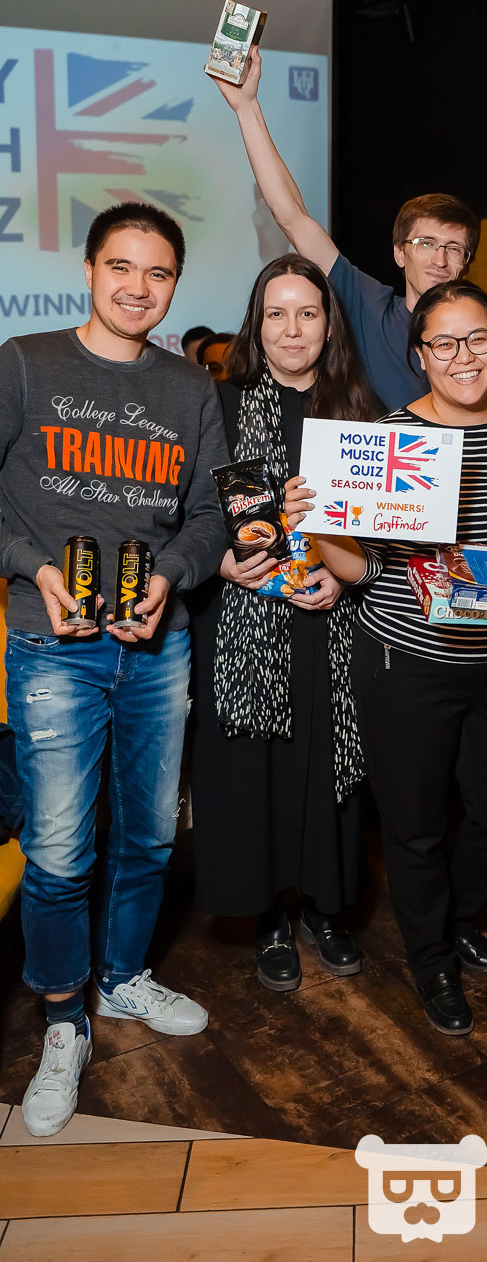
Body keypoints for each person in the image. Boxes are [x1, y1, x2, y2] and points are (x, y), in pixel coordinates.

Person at [286, 280, 487, 1036]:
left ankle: (455, 915)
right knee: (415, 824)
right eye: (443, 342)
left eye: (478, 338)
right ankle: (432, 957)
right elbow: (360, 571)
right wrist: (318, 524)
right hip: (405, 660)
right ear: (419, 355)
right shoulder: (389, 440)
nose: (462, 356)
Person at [0, 201, 229, 1137]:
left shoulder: (190, 388)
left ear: (174, 285)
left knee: (150, 836)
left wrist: (168, 578)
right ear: (89, 269)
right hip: (52, 645)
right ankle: (64, 1018)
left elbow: (210, 517)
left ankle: (124, 976)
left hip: (156, 644)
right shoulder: (25, 363)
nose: (139, 287)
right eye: (122, 267)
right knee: (60, 849)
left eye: (158, 272)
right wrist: (37, 568)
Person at [189, 256, 379, 991]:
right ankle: (267, 912)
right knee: (253, 769)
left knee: (327, 764)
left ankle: (325, 908)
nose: (292, 329)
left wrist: (346, 573)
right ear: (255, 323)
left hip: (334, 622)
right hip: (244, 619)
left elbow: (389, 529)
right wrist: (223, 560)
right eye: (276, 314)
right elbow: (190, 512)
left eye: (308, 313)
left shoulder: (361, 411)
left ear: (330, 324)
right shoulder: (219, 404)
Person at [212, 48, 487, 410]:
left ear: (466, 260)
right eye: (426, 243)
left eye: (454, 248)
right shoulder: (369, 308)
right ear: (399, 252)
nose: (440, 259)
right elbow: (292, 217)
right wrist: (247, 108)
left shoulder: (484, 339)